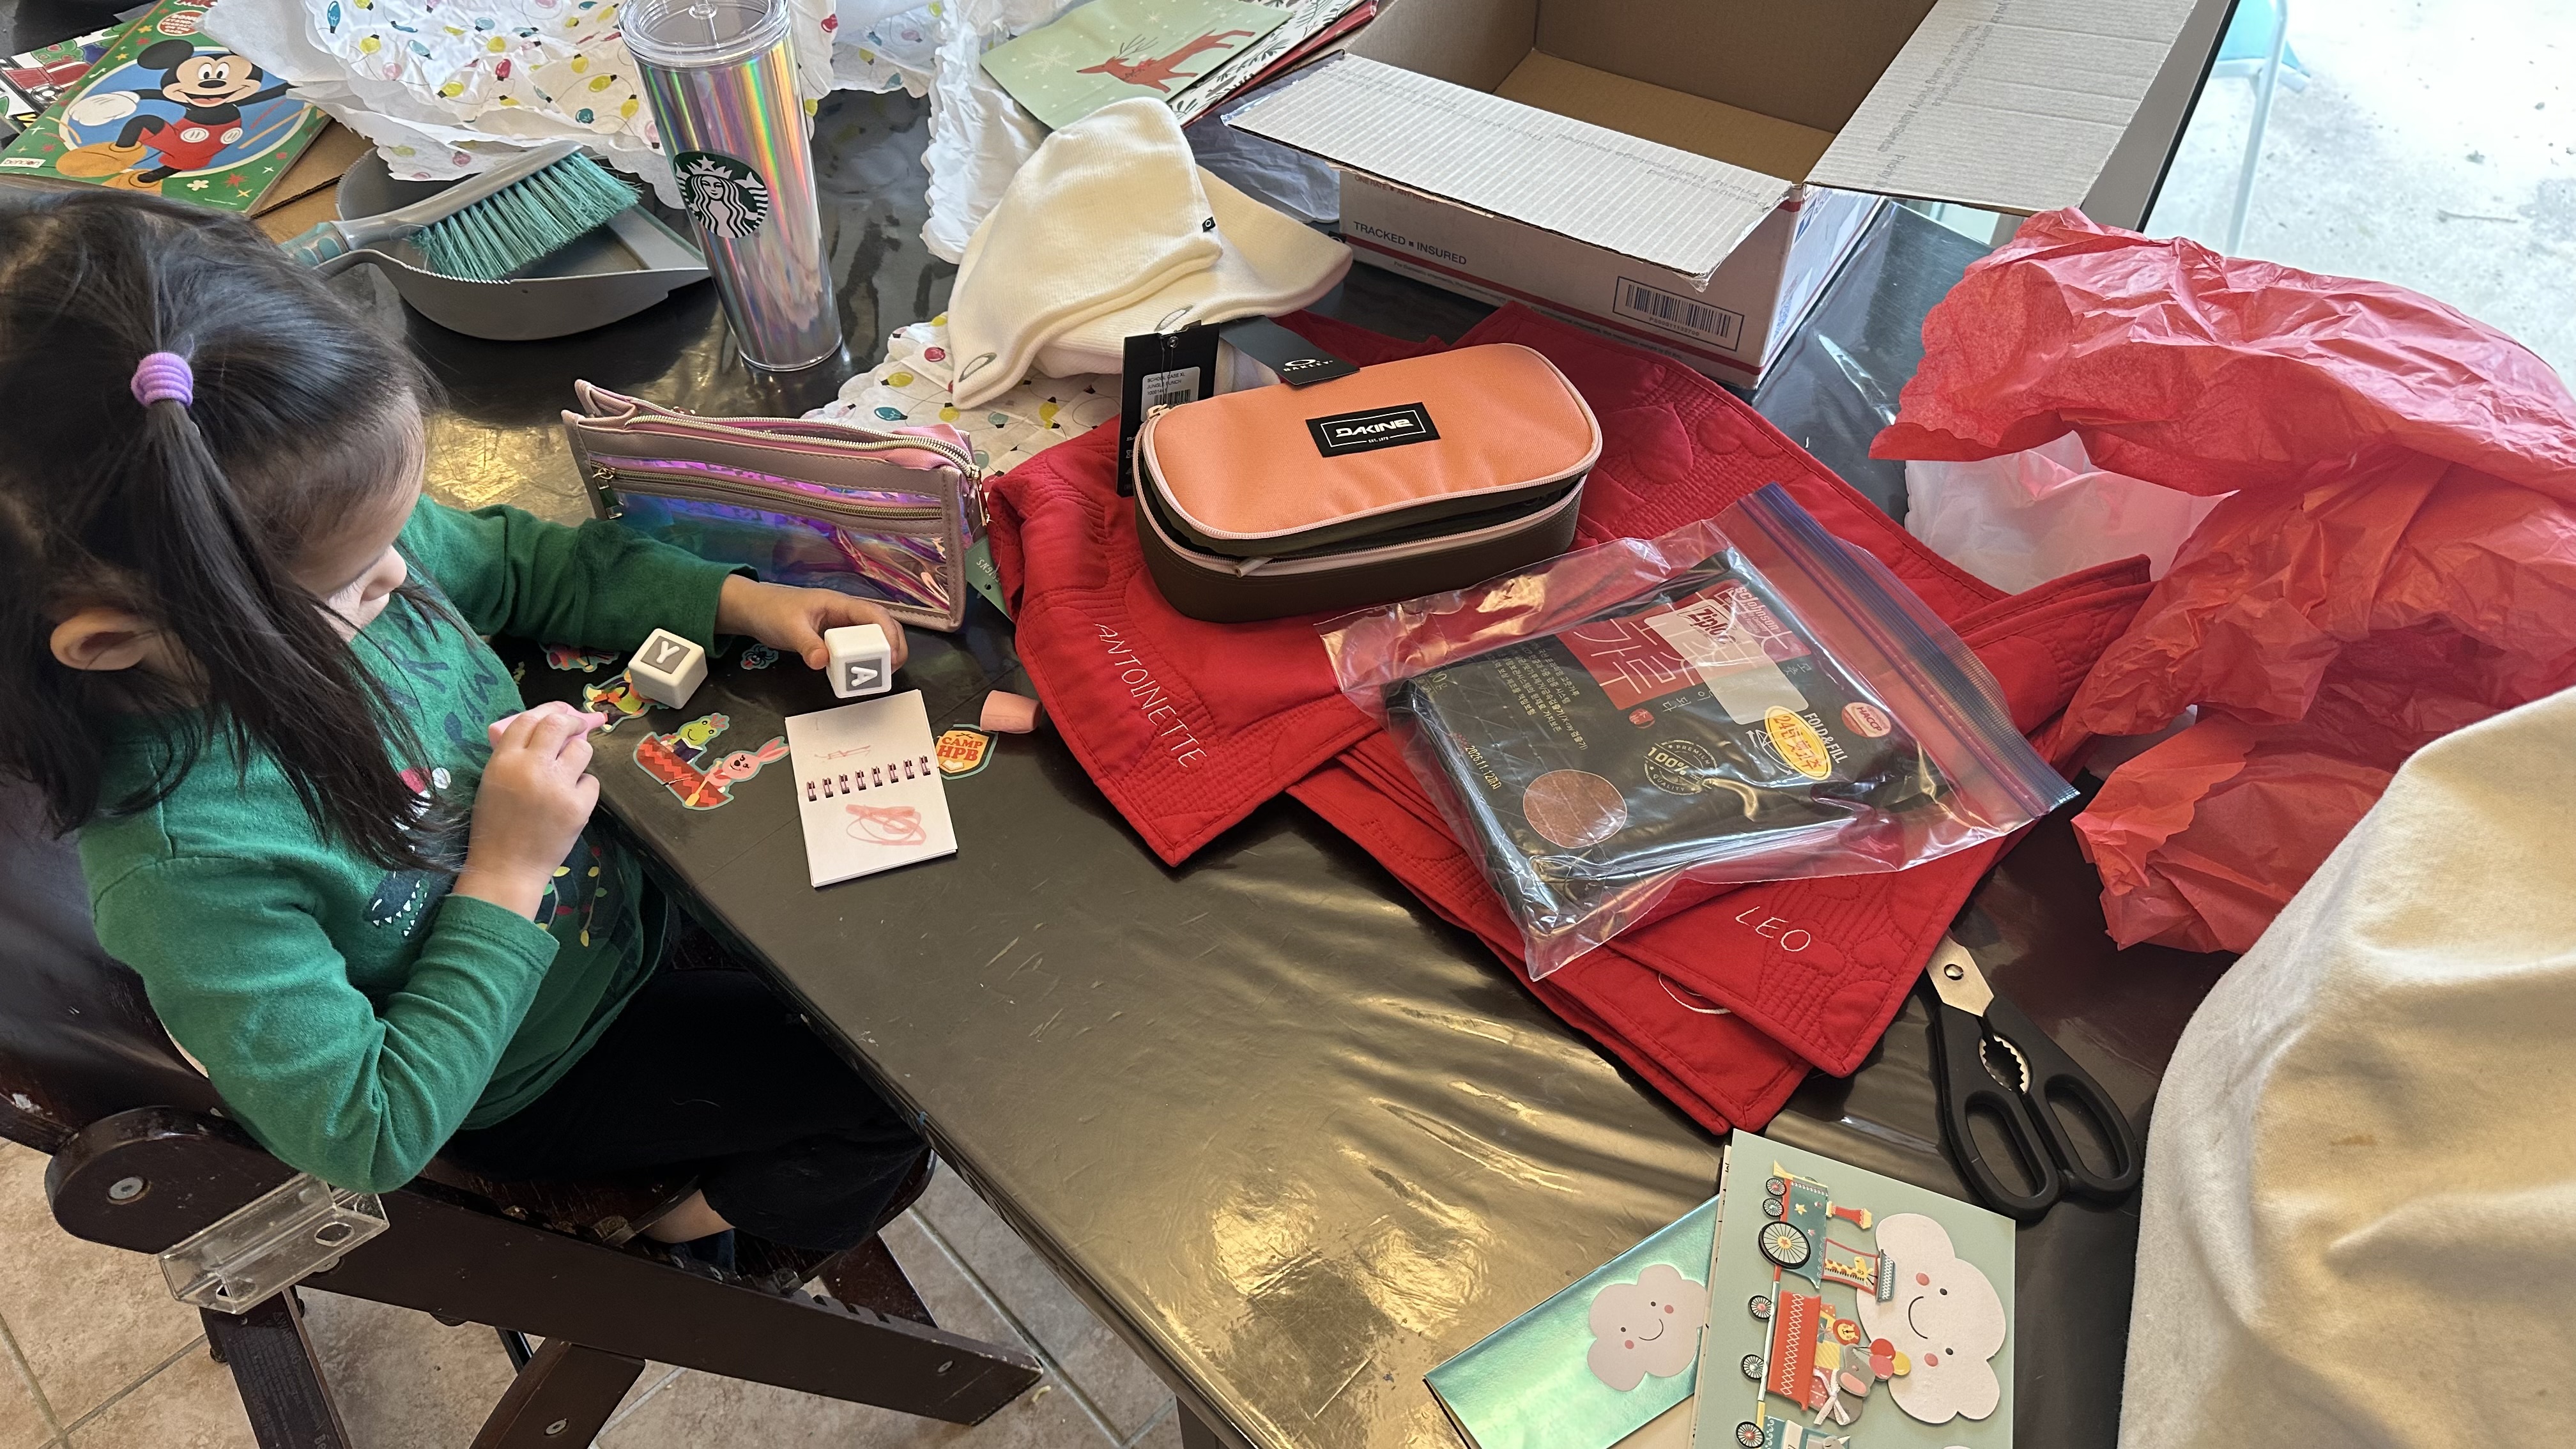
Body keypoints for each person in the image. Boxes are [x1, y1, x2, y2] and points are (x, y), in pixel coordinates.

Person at [0, 189, 927, 1266]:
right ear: (111, 642)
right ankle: (677, 1234)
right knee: (893, 1104)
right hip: (540, 1065)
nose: (404, 577)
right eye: (355, 587)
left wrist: (735, 602)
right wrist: (504, 872)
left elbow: (517, 564)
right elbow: (365, 1132)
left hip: (629, 907)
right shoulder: (189, 873)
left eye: (396, 538)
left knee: (897, 965)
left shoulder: (306, 527)